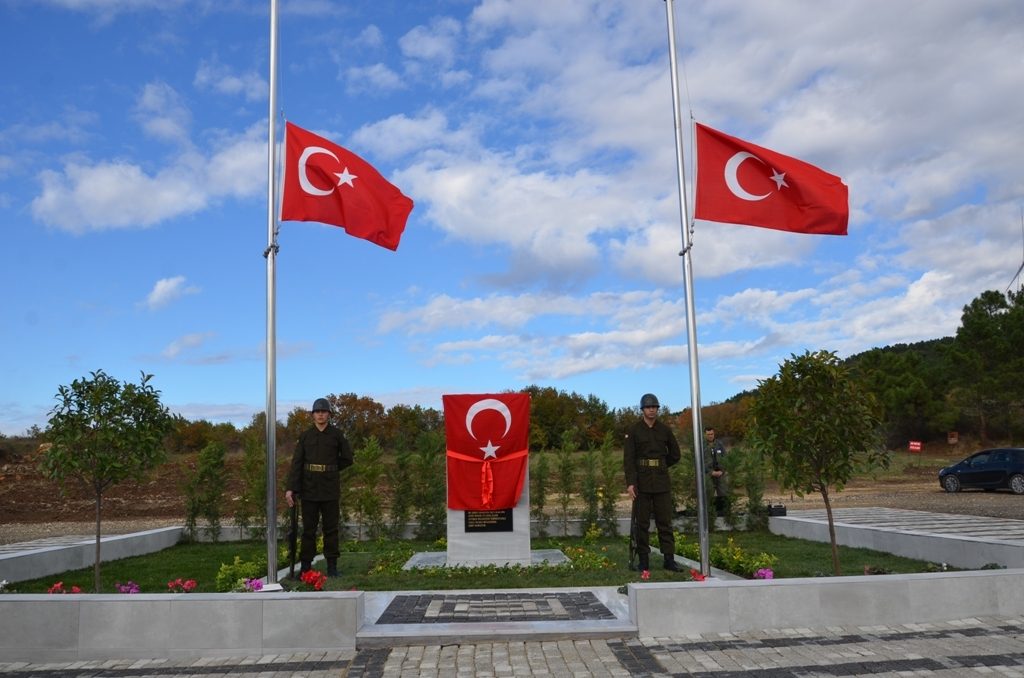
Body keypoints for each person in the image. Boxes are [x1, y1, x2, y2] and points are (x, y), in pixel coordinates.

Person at [285, 397, 354, 577]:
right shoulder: (305, 436)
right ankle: (306, 567)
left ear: (329, 414)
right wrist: (291, 488)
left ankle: (332, 567)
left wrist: (331, 468)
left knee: (331, 529)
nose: (321, 414)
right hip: (309, 488)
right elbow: (297, 463)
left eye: (324, 411)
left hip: (330, 488)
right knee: (309, 530)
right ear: (313, 415)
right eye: (317, 412)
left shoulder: (337, 435)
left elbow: (348, 458)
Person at [623, 393, 682, 571]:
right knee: (642, 523)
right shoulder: (634, 430)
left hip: (661, 481)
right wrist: (631, 483)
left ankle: (669, 559)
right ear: (642, 409)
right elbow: (629, 459)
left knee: (665, 522)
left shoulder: (664, 430)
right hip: (641, 482)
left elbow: (675, 454)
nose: (652, 410)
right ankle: (643, 560)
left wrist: (661, 465)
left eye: (654, 407)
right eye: (648, 407)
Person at [703, 426, 729, 514]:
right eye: (708, 434)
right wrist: (711, 472)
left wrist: (722, 470)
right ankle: (710, 513)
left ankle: (724, 512)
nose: (710, 436)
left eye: (712, 434)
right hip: (708, 473)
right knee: (709, 493)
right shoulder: (702, 446)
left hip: (720, 473)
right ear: (705, 435)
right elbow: (699, 462)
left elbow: (725, 458)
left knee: (723, 492)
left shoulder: (719, 444)